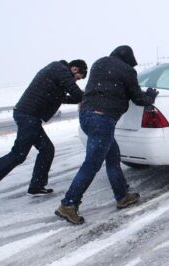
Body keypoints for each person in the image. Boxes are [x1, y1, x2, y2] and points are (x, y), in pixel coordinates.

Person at [55, 45, 158, 225]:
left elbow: (108, 87)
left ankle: (122, 196)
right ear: (128, 60)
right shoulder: (127, 70)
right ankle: (68, 204)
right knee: (92, 164)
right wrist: (149, 96)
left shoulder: (99, 63)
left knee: (113, 157)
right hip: (102, 120)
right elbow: (137, 98)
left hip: (87, 116)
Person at [0, 59, 87, 206]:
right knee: (18, 154)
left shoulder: (56, 73)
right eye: (77, 78)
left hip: (30, 116)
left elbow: (62, 98)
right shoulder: (60, 69)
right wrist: (88, 96)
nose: (76, 82)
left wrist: (78, 99)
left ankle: (36, 186)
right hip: (28, 116)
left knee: (47, 149)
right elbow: (76, 94)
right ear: (75, 69)